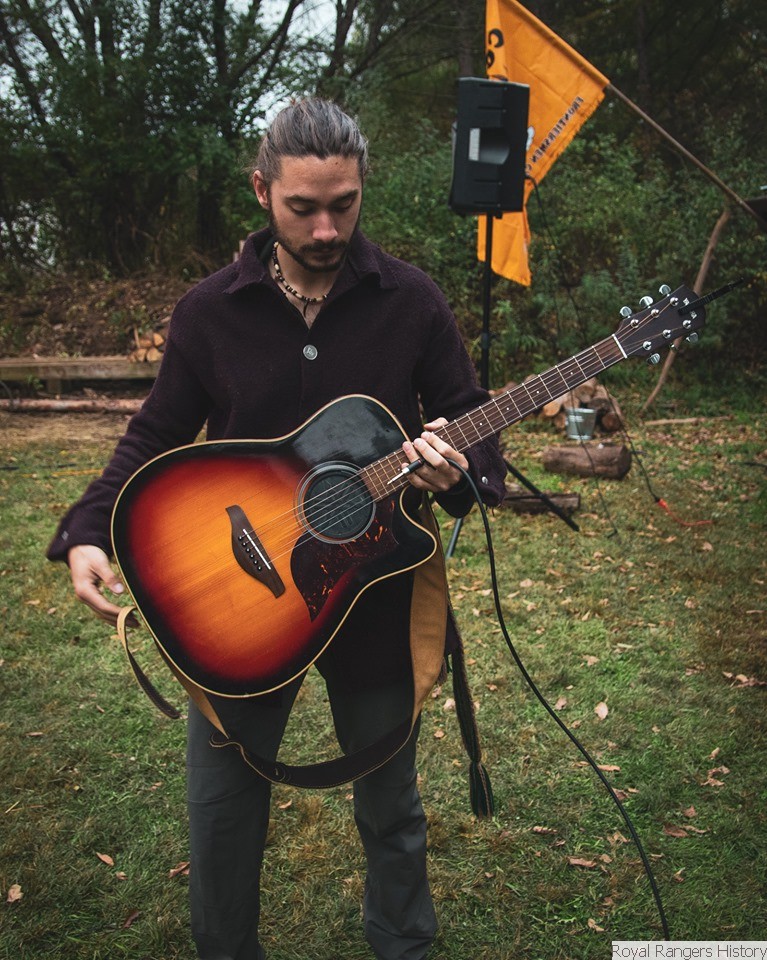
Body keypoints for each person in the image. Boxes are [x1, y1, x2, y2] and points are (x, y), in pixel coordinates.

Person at [48, 98, 507, 960]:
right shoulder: (208, 311)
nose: (327, 229)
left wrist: (459, 469)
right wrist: (88, 530)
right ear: (262, 191)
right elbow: (155, 433)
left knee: (391, 803)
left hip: (370, 593)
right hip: (237, 601)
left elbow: (470, 418)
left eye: (344, 204)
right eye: (303, 208)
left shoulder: (410, 300)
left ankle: (402, 944)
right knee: (222, 807)